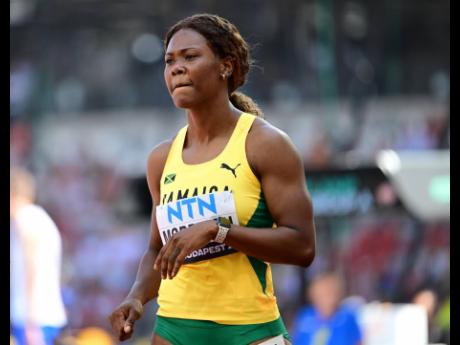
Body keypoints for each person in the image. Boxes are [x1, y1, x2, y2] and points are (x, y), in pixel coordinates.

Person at [108, 13, 316, 345]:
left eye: (190, 57)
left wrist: (218, 231)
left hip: (249, 330)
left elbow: (303, 246)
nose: (176, 68)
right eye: (169, 61)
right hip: (175, 330)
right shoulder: (162, 159)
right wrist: (136, 295)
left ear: (226, 66)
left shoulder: (265, 144)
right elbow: (156, 248)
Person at [10, 167, 68, 345]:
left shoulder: (26, 219)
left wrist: (31, 322)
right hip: (40, 314)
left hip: (33, 317)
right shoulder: (38, 218)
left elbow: (32, 266)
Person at [291, 272, 362, 345]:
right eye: (323, 294)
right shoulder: (305, 317)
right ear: (313, 296)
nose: (327, 298)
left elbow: (358, 342)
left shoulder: (346, 317)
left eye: (330, 292)